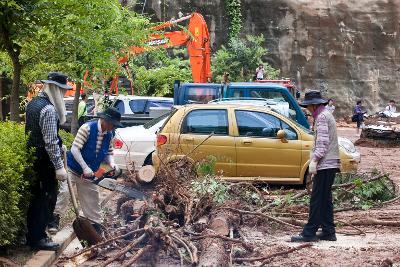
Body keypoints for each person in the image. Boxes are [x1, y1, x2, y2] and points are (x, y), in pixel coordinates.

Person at [48, 107, 122, 234]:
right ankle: (54, 220)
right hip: (72, 168)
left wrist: (112, 163)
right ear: (104, 120)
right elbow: (75, 149)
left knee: (92, 198)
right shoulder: (87, 128)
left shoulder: (109, 134)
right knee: (64, 193)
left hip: (89, 174)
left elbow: (109, 152)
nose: (113, 127)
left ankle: (95, 226)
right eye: (112, 124)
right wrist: (85, 167)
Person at [25, 72, 72, 250]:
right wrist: (59, 167)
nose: (64, 94)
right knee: (46, 199)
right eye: (62, 91)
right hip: (44, 161)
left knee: (37, 198)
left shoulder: (34, 104)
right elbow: (50, 141)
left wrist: (61, 146)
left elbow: (43, 135)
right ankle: (39, 238)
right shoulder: (49, 109)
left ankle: (32, 236)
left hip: (34, 157)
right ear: (55, 89)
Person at [291, 90, 340, 242]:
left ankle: (309, 232)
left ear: (313, 105)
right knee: (325, 199)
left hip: (326, 164)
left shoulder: (322, 117)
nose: (307, 110)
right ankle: (328, 231)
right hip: (330, 164)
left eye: (307, 107)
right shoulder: (325, 115)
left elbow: (322, 143)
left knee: (317, 199)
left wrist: (314, 160)